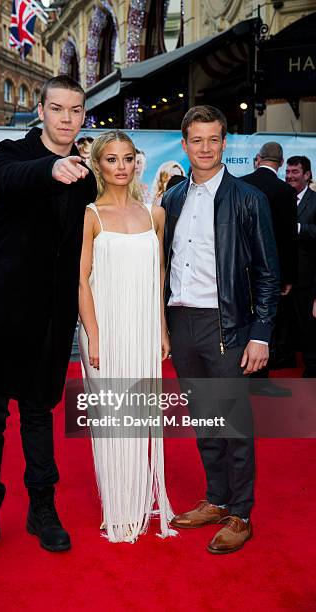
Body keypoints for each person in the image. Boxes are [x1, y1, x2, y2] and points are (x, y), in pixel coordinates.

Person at [0, 76, 97, 563]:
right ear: (41, 110)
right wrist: (53, 169)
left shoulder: (89, 176)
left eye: (75, 110)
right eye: (57, 108)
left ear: (83, 115)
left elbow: (90, 248)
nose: (65, 118)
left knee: (39, 417)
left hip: (49, 319)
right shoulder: (10, 154)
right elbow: (14, 180)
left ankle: (42, 509)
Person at [163, 105, 279, 554]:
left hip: (227, 323)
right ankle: (216, 498)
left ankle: (241, 513)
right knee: (204, 421)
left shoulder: (249, 198)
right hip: (182, 319)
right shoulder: (172, 199)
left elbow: (269, 272)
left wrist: (261, 332)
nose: (205, 148)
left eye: (214, 139)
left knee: (233, 424)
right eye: (197, 140)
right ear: (185, 143)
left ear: (225, 142)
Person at [78, 130, 175, 543]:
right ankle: (116, 506)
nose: (120, 166)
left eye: (127, 158)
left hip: (141, 326)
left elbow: (159, 275)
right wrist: (94, 335)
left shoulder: (155, 213)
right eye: (111, 159)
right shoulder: (89, 215)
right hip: (105, 329)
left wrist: (162, 328)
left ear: (137, 162)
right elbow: (80, 280)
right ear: (99, 165)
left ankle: (137, 502)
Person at [242, 142, 298, 396]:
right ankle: (259, 379)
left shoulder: (241, 183)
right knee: (265, 322)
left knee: (240, 319)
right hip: (270, 271)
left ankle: (238, 373)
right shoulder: (285, 191)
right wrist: (288, 277)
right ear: (282, 162)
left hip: (240, 267)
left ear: (258, 158)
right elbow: (288, 238)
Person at [281, 156, 316, 377]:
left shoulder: (315, 200)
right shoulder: (282, 197)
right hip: (284, 278)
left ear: (307, 175)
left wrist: (300, 228)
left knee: (309, 325)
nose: (290, 176)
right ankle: (284, 358)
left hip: (307, 277)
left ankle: (312, 366)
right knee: (285, 323)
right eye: (288, 172)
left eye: (295, 172)